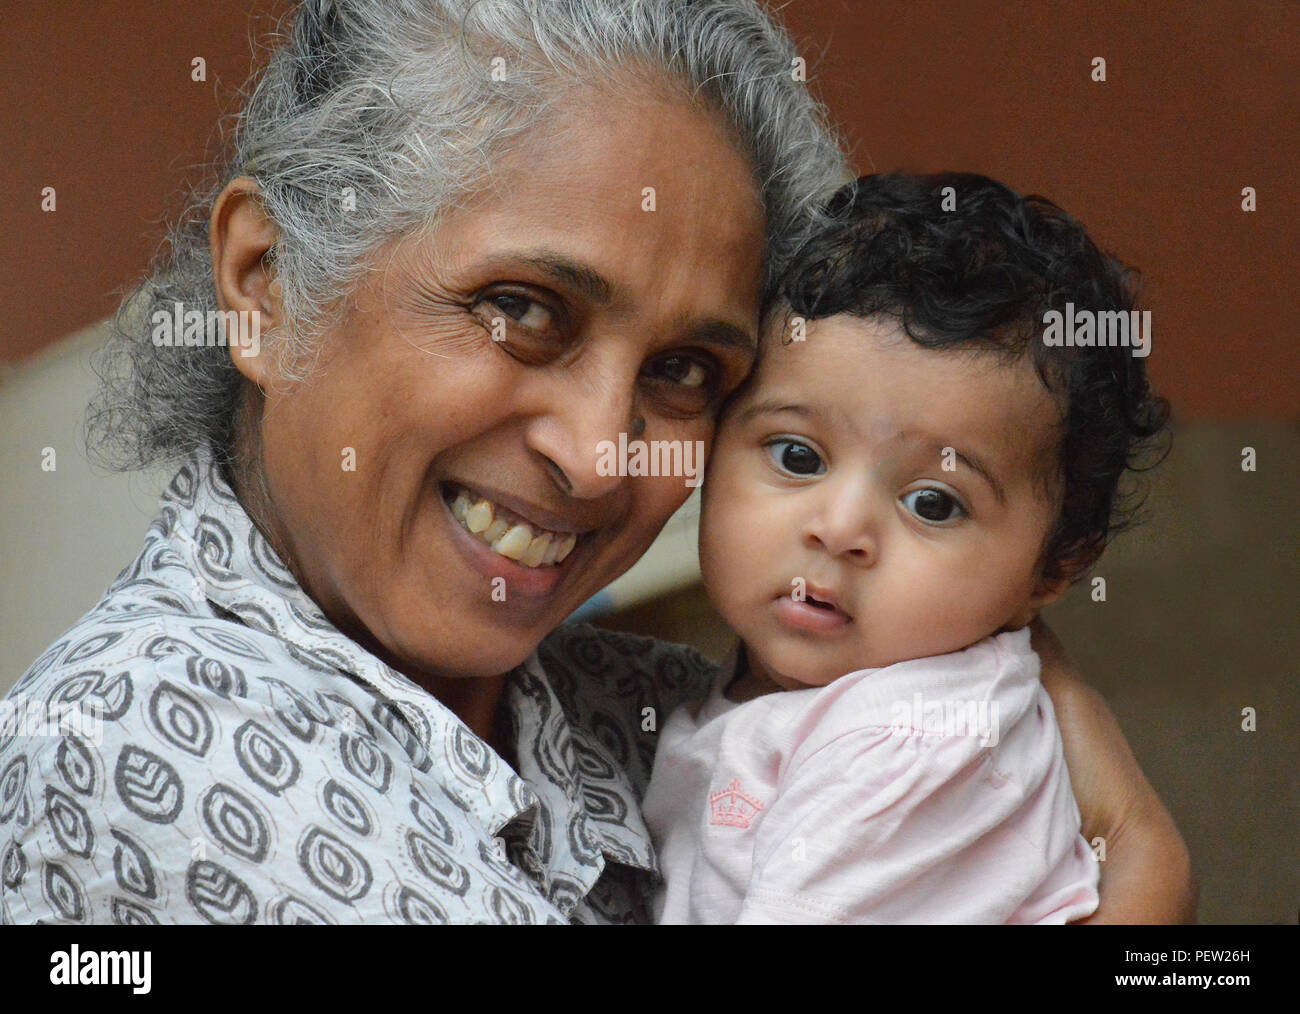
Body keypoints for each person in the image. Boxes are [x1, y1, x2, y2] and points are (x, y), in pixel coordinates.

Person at [0, 2, 1191, 925]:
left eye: (682, 370)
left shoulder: (649, 709)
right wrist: (1142, 857)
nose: (595, 452)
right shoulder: (137, 746)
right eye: (521, 307)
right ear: (266, 288)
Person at [644, 172, 1172, 923]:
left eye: (933, 502)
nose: (840, 529)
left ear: (1055, 567)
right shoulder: (770, 694)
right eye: (797, 456)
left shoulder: (906, 746)